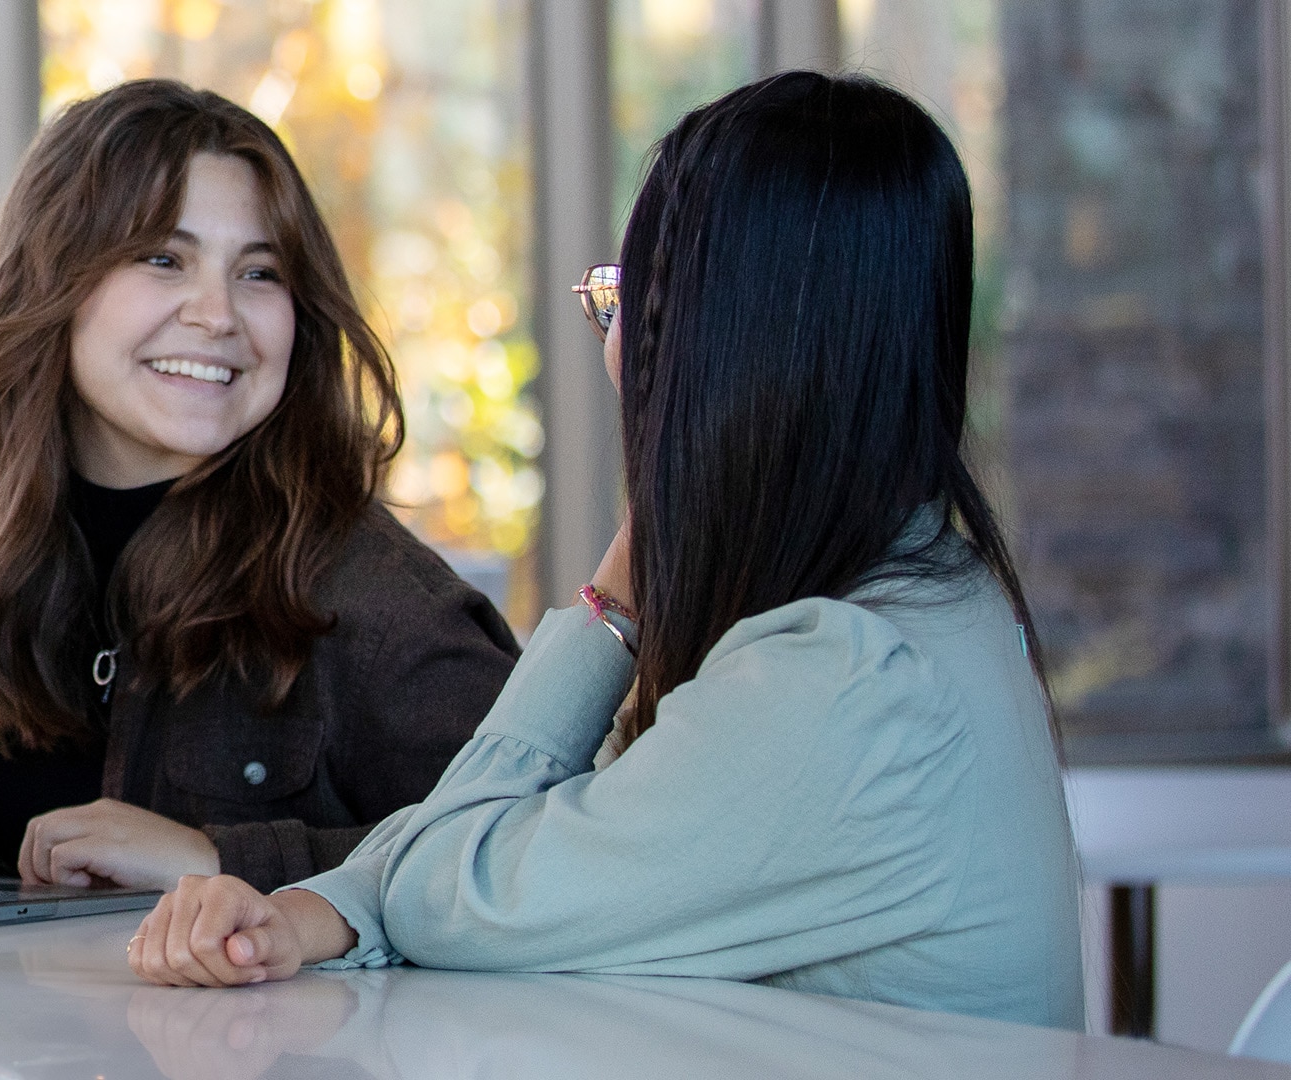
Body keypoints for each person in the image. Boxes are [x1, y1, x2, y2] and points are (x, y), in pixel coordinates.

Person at [124, 71, 1086, 1030]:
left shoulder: (842, 682)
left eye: (625, 301)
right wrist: (319, 905)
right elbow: (489, 868)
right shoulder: (914, 606)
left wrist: (613, 600)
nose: (614, 348)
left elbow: (452, 895)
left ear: (717, 345)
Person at [0, 80, 519, 894]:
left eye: (260, 273)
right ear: (51, 285)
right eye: (163, 259)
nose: (217, 315)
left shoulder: (379, 601)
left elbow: (532, 858)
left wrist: (220, 862)